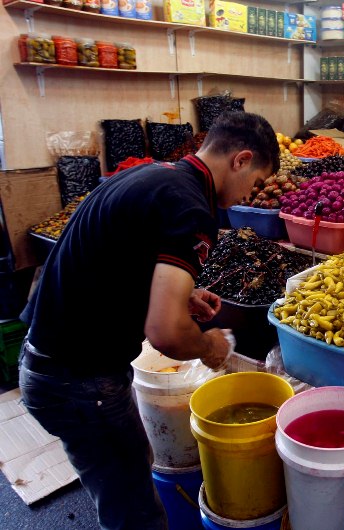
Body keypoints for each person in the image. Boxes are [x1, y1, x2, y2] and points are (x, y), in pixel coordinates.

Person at [18, 111, 280, 530]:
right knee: (135, 513)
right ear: (241, 160)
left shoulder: (152, 176)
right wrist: (210, 346)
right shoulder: (191, 208)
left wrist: (180, 295)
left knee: (125, 485)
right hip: (78, 381)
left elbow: (114, 260)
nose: (250, 195)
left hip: (49, 361)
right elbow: (166, 333)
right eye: (257, 181)